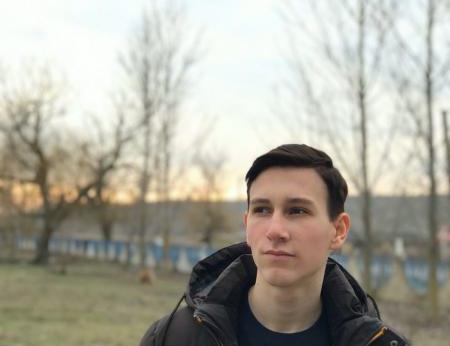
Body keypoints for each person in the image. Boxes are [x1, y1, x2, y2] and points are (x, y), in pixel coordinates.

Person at [139, 144, 411, 346]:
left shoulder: (378, 343)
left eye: (297, 211)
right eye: (262, 210)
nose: (275, 231)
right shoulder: (172, 338)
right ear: (247, 225)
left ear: (338, 231)